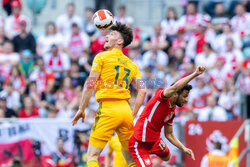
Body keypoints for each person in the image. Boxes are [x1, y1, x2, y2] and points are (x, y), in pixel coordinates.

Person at [72, 22, 146, 167]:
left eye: (112, 34)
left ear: (120, 41)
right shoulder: (132, 64)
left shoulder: (101, 57)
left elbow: (90, 84)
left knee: (92, 155)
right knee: (130, 161)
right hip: (125, 111)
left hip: (108, 109)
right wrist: (133, 113)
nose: (107, 35)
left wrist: (81, 108)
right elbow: (142, 90)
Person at [128, 65, 207, 167]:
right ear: (174, 94)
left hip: (154, 141)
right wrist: (195, 74)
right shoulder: (161, 97)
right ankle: (140, 158)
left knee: (167, 156)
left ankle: (144, 158)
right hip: (139, 143)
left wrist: (184, 148)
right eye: (184, 96)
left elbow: (169, 134)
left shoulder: (172, 111)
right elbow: (174, 87)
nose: (186, 100)